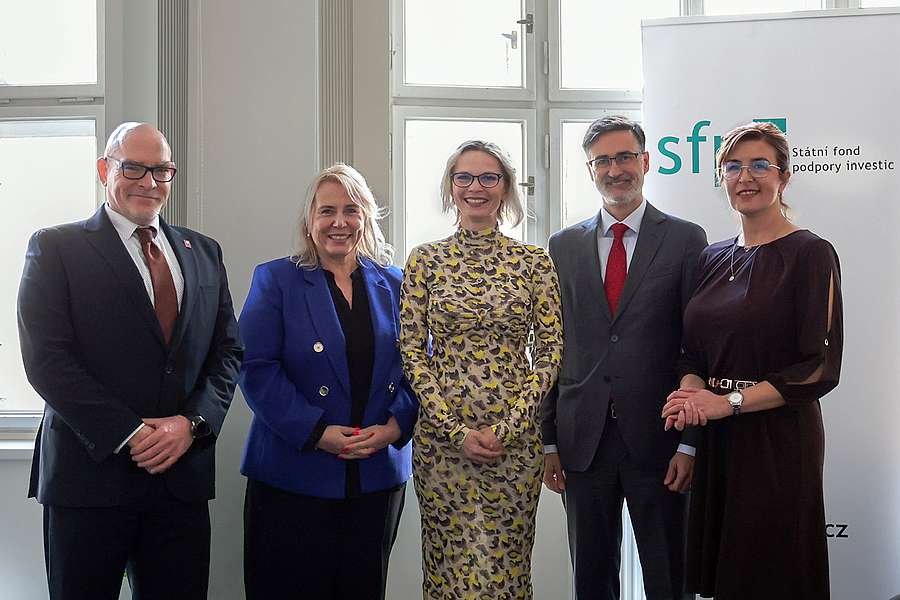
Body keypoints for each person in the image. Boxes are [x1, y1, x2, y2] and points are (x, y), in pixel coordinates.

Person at [17, 122, 243, 599]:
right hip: (89, 478)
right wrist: (129, 433)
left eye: (161, 170)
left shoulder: (203, 252)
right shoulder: (56, 247)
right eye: (133, 168)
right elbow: (47, 360)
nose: (149, 182)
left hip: (180, 479)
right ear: (105, 170)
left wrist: (192, 424)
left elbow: (227, 351)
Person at [662, 121, 842, 600]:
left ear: (784, 176)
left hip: (777, 440)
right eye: (733, 166)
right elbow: (691, 353)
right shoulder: (711, 257)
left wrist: (727, 403)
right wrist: (692, 394)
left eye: (760, 165)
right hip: (719, 440)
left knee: (771, 577)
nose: (745, 176)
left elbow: (819, 366)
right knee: (726, 580)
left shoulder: (810, 253)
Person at [541, 115, 707, 600]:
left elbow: (697, 345)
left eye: (625, 157)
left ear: (646, 161)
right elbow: (552, 347)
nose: (615, 170)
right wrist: (549, 440)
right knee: (591, 579)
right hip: (582, 442)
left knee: (668, 577)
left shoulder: (685, 240)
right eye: (603, 161)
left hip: (660, 439)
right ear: (590, 170)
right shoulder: (562, 246)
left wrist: (690, 445)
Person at [239, 163, 417, 600]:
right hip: (292, 473)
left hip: (375, 473)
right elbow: (256, 368)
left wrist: (395, 425)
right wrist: (317, 432)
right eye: (327, 211)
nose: (340, 222)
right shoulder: (276, 280)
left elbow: (423, 368)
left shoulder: (398, 284)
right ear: (309, 221)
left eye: (351, 210)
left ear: (367, 218)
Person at [400, 140, 562, 599]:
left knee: (506, 570)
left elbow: (550, 350)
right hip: (441, 447)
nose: (476, 187)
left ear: (505, 187)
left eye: (489, 177)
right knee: (446, 569)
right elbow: (411, 351)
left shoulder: (534, 263)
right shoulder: (425, 260)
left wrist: (508, 428)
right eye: (464, 177)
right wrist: (455, 432)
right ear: (451, 187)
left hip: (514, 445)